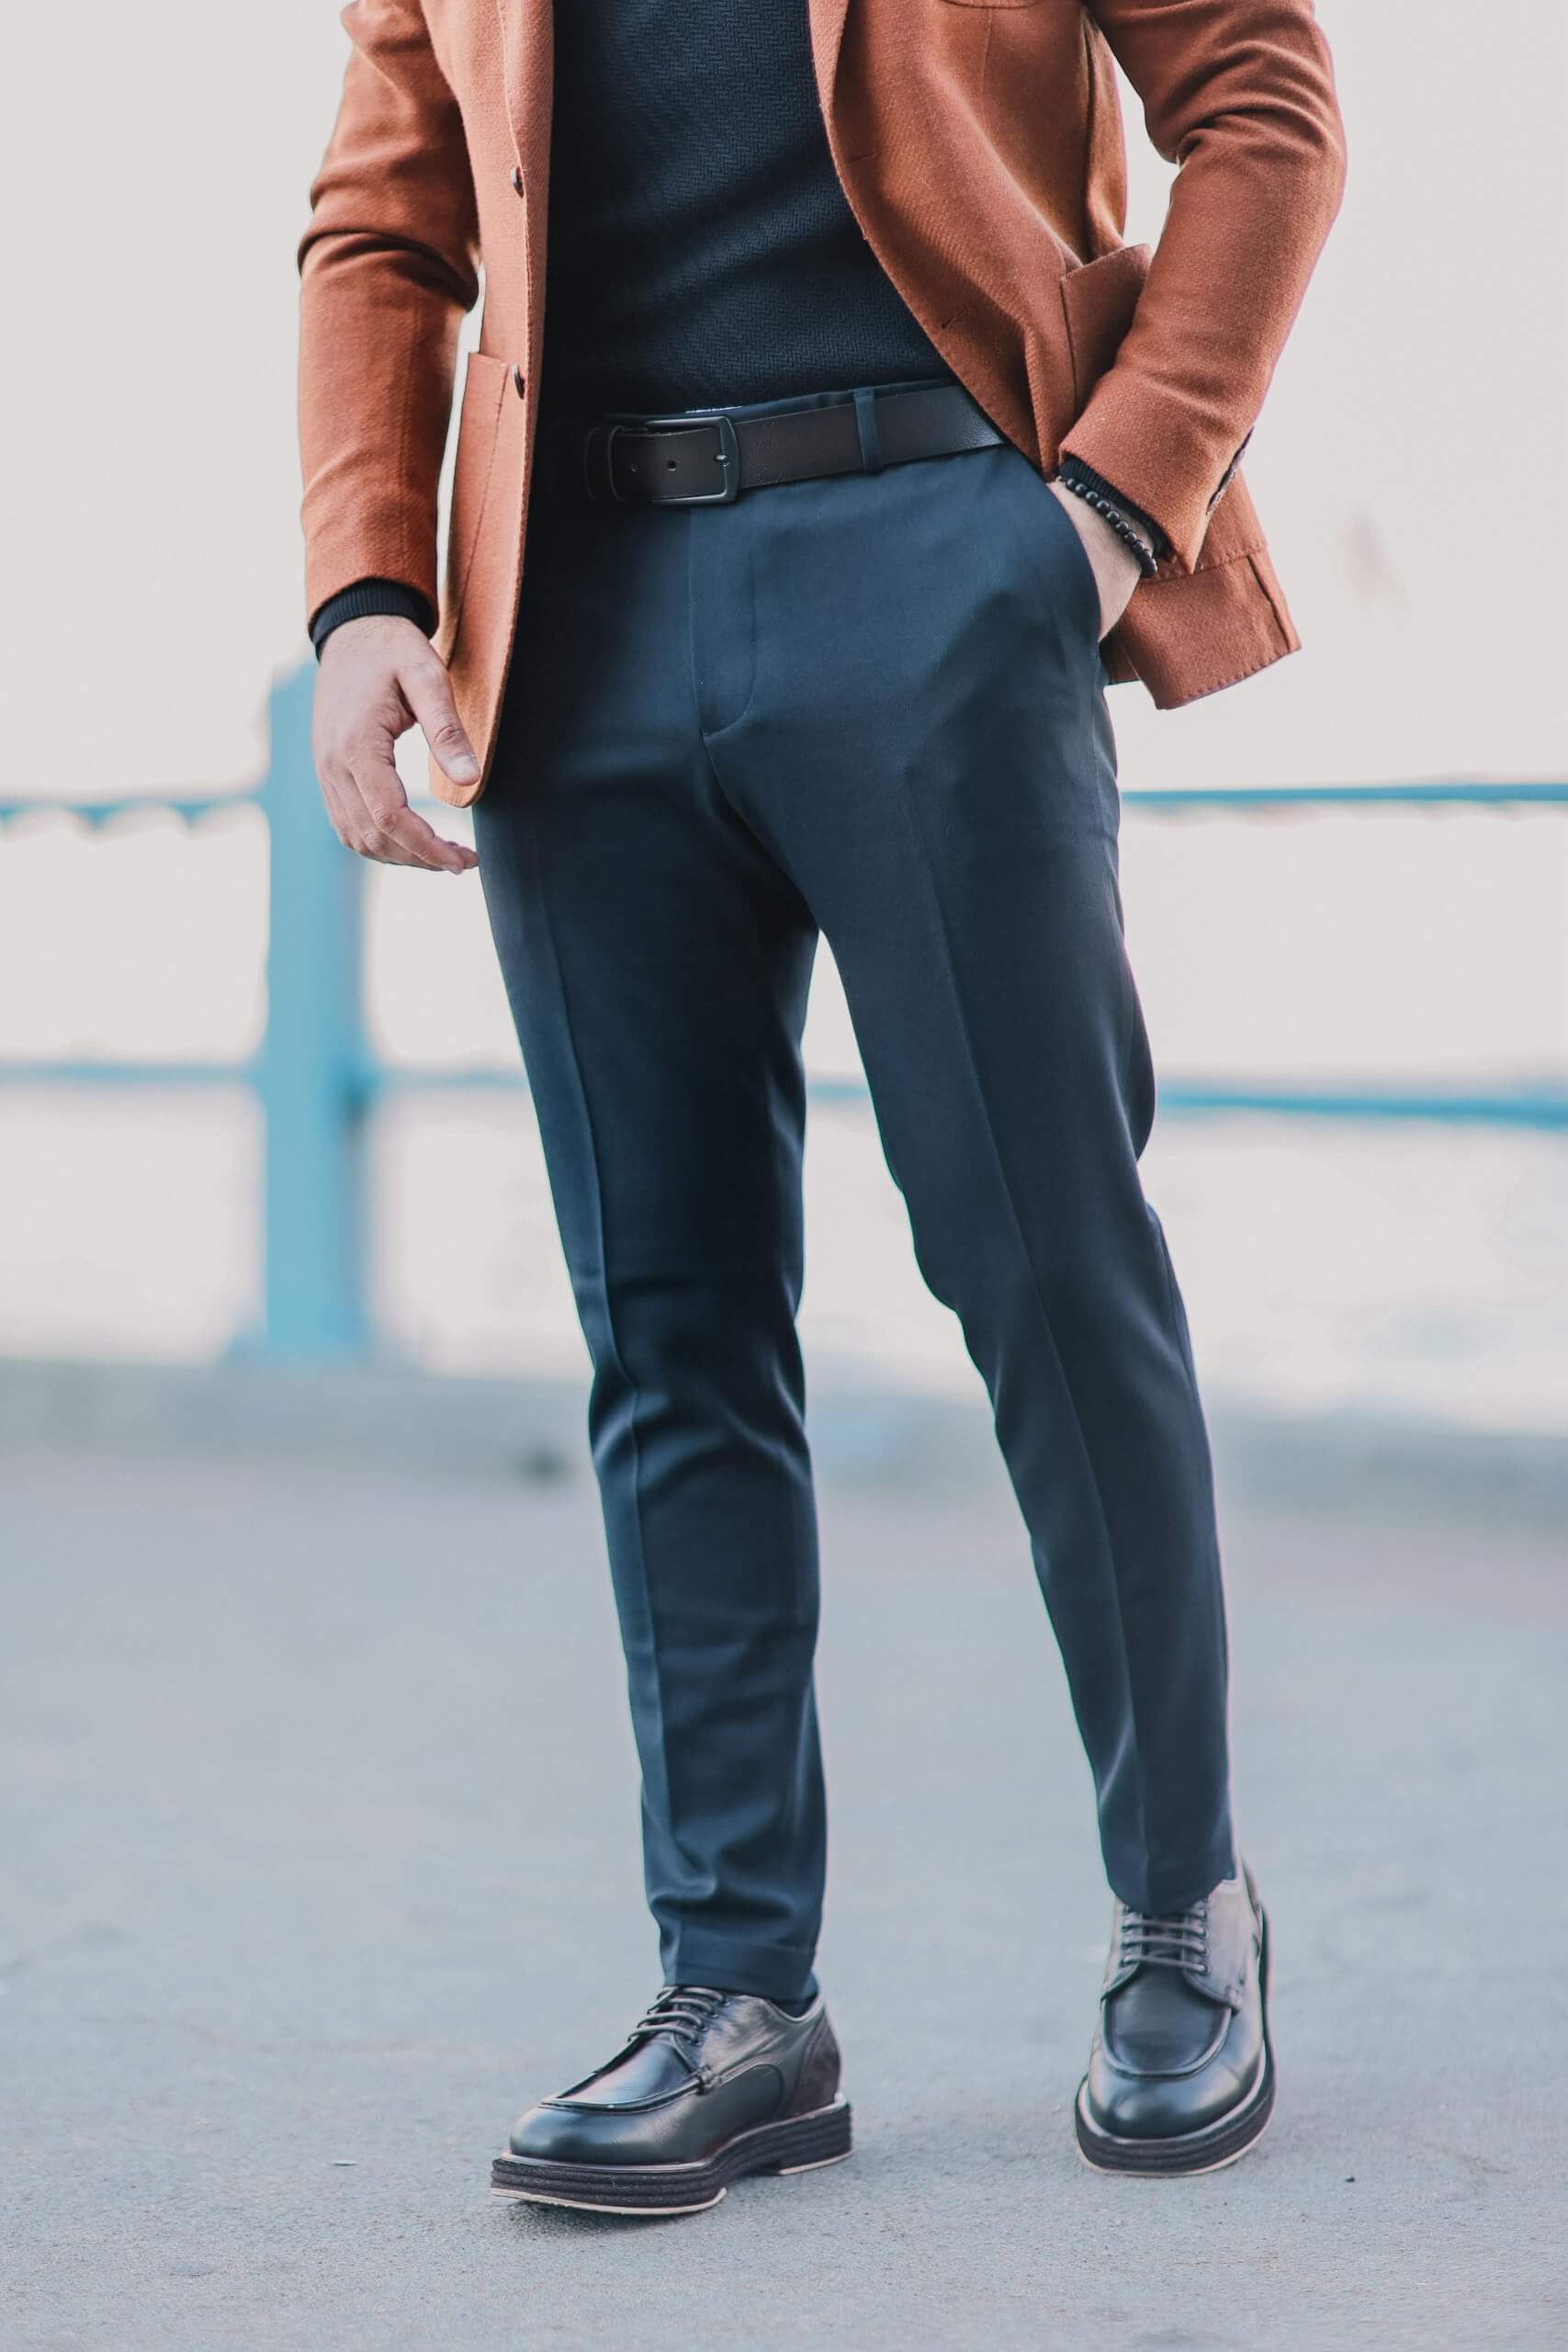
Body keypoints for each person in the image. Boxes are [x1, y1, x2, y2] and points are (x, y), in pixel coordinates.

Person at [297, 0, 1346, 2212]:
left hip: (936, 549)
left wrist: (1106, 502)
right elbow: (382, 216)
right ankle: (737, 1993)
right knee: (665, 1319)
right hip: (569, 614)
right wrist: (367, 585)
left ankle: (1183, 1912)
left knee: (1046, 1267)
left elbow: (1256, 95)